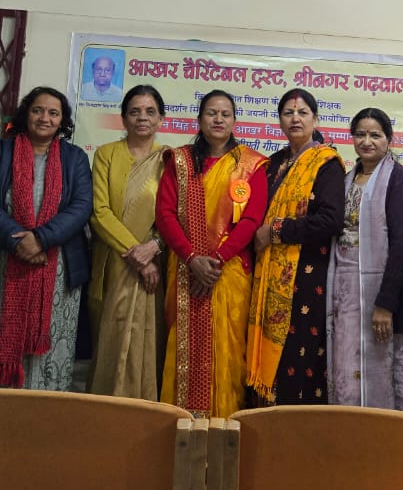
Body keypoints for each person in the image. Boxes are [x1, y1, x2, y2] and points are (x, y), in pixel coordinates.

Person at [0, 87, 92, 390]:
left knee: (51, 341)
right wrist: (17, 241)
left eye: (53, 113)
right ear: (26, 114)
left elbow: (81, 206)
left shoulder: (75, 158)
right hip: (2, 263)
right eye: (38, 110)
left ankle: (45, 407)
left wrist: (40, 240)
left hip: (57, 268)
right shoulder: (0, 152)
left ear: (62, 121)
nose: (44, 118)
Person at [156, 89, 267, 417]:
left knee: (228, 349)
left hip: (228, 272)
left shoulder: (251, 164)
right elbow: (165, 215)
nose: (218, 119)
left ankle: (223, 424)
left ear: (234, 121)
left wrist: (216, 260)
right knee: (183, 347)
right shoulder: (179, 161)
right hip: (185, 269)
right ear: (200, 119)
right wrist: (192, 258)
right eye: (211, 113)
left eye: (225, 114)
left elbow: (251, 220)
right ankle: (181, 423)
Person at [248, 88, 345, 405]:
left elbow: (329, 221)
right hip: (268, 272)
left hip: (306, 276)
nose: (295, 119)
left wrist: (276, 230)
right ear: (279, 120)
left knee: (299, 351)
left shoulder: (326, 163)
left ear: (315, 119)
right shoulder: (273, 163)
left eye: (303, 113)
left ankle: (295, 425)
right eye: (288, 113)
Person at [325, 107, 403, 408]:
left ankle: (378, 432)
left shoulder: (399, 181)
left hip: (379, 293)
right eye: (360, 134)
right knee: (344, 365)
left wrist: (385, 304)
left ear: (389, 140)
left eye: (375, 135)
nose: (367, 141)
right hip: (344, 291)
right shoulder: (346, 179)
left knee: (379, 368)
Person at [89, 85, 168, 400]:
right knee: (111, 336)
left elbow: (176, 215)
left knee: (148, 337)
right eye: (134, 112)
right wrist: (138, 256)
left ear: (161, 118)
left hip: (155, 264)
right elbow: (100, 212)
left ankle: (147, 407)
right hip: (115, 261)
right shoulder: (106, 154)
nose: (142, 118)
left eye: (150, 111)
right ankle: (106, 411)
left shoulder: (170, 159)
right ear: (123, 118)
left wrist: (154, 248)